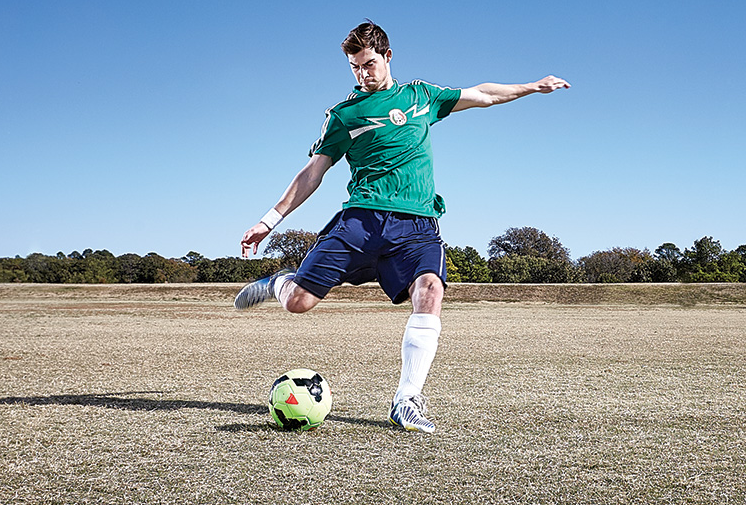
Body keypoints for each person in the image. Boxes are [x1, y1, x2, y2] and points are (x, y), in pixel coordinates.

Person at [235, 21, 570, 433]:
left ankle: (406, 399)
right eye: (355, 67)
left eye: (369, 64)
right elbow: (312, 173)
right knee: (298, 303)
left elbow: (482, 95)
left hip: (417, 223)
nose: (363, 74)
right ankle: (279, 283)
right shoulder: (344, 115)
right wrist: (269, 221)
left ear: (388, 56)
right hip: (362, 220)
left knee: (430, 290)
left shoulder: (421, 96)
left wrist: (532, 86)